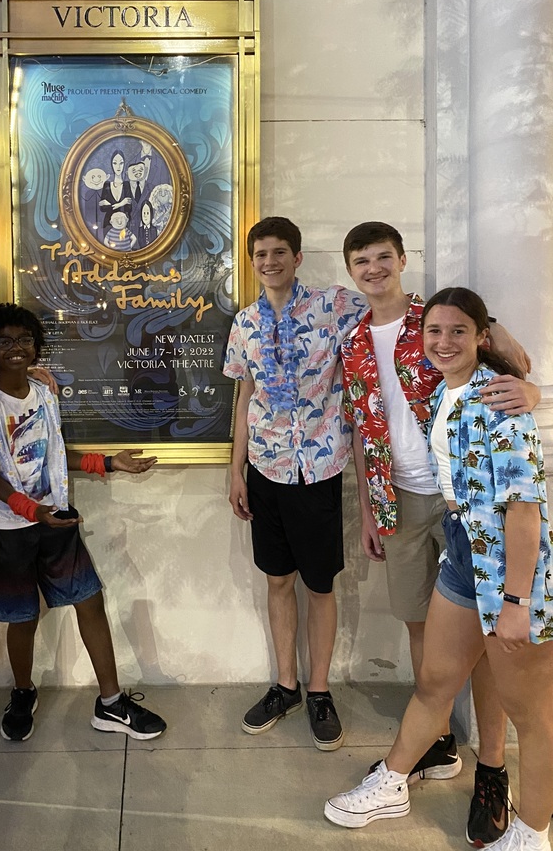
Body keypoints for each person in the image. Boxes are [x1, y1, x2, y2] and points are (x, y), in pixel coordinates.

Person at [325, 287, 553, 851]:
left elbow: (525, 511)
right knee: (435, 681)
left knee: (532, 714)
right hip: (460, 551)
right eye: (434, 331)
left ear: (481, 336)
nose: (443, 342)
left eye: (458, 331)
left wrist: (517, 601)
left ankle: (532, 831)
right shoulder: (440, 392)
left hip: (505, 566)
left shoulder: (499, 401)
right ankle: (393, 782)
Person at [0, 303, 167, 743]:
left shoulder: (44, 393)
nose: (17, 348)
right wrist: (30, 511)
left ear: (36, 346)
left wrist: (108, 462)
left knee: (89, 600)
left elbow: (57, 456)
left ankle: (111, 703)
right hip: (8, 529)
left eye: (25, 339)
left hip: (55, 519)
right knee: (23, 617)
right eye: (5, 341)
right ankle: (23, 692)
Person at [224, 217, 368, 751]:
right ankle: (286, 686)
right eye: (260, 254)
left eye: (279, 252)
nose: (270, 261)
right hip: (266, 468)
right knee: (278, 579)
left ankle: (320, 690)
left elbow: (398, 312)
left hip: (318, 471)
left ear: (297, 257)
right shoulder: (245, 322)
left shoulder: (334, 306)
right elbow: (244, 395)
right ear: (252, 262)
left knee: (320, 585)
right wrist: (235, 469)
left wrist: (489, 328)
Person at [99, 149, 133, 232]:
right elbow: (102, 208)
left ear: (124, 164)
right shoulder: (107, 184)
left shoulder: (126, 184)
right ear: (111, 164)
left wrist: (110, 205)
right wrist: (121, 203)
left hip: (124, 223)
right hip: (108, 224)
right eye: (115, 163)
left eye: (121, 163)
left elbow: (129, 207)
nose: (118, 167)